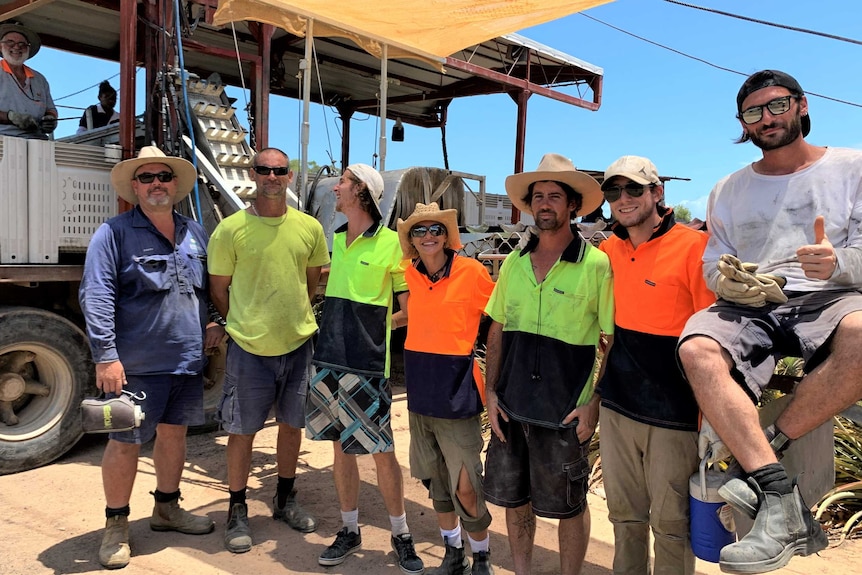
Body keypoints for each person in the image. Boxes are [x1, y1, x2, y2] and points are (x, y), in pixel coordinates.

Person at [677, 69, 862, 574]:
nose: (767, 119)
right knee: (695, 346)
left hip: (829, 296)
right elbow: (715, 261)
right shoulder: (729, 188)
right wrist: (727, 282)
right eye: (753, 112)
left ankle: (763, 456)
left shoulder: (853, 167)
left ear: (802, 105)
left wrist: (839, 262)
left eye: (777, 105)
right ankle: (779, 494)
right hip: (752, 304)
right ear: (744, 124)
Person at [79, 146, 220, 569]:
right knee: (125, 443)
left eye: (163, 176)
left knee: (175, 437)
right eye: (146, 178)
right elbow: (97, 294)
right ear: (135, 188)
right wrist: (106, 356)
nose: (156, 183)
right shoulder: (114, 233)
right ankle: (116, 526)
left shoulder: (196, 233)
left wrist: (214, 321)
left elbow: (209, 289)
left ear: (175, 185)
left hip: (187, 361)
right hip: (136, 364)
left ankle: (167, 508)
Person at [483, 153, 614, 575]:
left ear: (573, 206)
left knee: (569, 507)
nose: (544, 204)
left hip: (563, 411)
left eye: (554, 196)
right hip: (511, 406)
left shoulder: (596, 264)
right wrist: (490, 393)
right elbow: (497, 330)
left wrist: (593, 402)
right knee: (516, 502)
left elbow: (610, 341)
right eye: (537, 196)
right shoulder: (515, 265)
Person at [596, 156, 715, 575]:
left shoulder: (694, 247)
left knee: (670, 526)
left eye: (634, 189)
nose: (623, 199)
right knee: (624, 517)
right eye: (614, 191)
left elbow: (716, 336)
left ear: (657, 192)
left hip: (675, 413)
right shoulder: (607, 250)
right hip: (616, 406)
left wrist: (715, 418)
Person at [207, 147, 329, 553]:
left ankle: (284, 498)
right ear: (253, 174)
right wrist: (243, 326)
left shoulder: (309, 228)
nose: (272, 177)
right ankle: (237, 509)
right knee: (241, 432)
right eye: (264, 170)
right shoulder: (231, 229)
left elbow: (310, 284)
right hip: (248, 348)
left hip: (298, 344)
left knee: (292, 427)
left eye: (279, 171)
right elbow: (218, 290)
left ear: (290, 176)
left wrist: (289, 320)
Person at [306, 164, 423, 575]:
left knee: (382, 452)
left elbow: (408, 312)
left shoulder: (393, 244)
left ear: (360, 193)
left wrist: (371, 329)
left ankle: (402, 534)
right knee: (340, 448)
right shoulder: (337, 239)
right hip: (329, 362)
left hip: (368, 365)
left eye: (343, 183)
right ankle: (350, 529)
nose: (335, 188)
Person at [396, 202, 497, 575]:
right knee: (436, 484)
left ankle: (482, 556)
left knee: (466, 484)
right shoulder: (409, 273)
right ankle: (453, 553)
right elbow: (411, 315)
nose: (428, 237)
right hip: (421, 393)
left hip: (457, 394)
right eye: (419, 231)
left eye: (435, 229)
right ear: (411, 239)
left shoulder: (471, 272)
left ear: (446, 235)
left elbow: (500, 314)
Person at [0, 22, 57, 139]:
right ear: (0, 46)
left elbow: (51, 110)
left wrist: (50, 119)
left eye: (22, 44)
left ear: (28, 49)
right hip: (3, 139)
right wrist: (11, 117)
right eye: (10, 42)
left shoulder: (40, 79)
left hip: (38, 142)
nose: (16, 47)